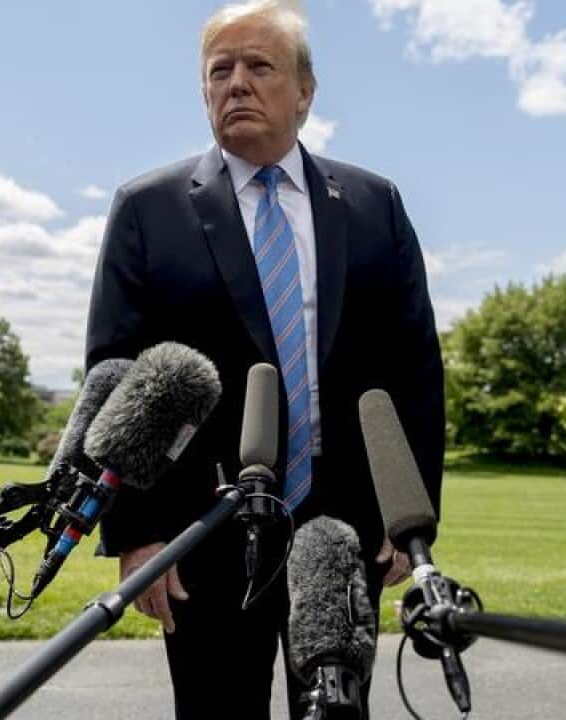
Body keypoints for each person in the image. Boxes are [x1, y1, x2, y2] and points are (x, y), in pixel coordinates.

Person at [85, 2, 444, 717]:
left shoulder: (376, 204)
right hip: (200, 535)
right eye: (220, 70)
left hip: (341, 536)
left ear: (305, 91)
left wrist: (411, 524)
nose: (236, 84)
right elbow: (117, 374)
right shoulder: (146, 209)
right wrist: (136, 535)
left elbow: (414, 372)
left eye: (259, 66)